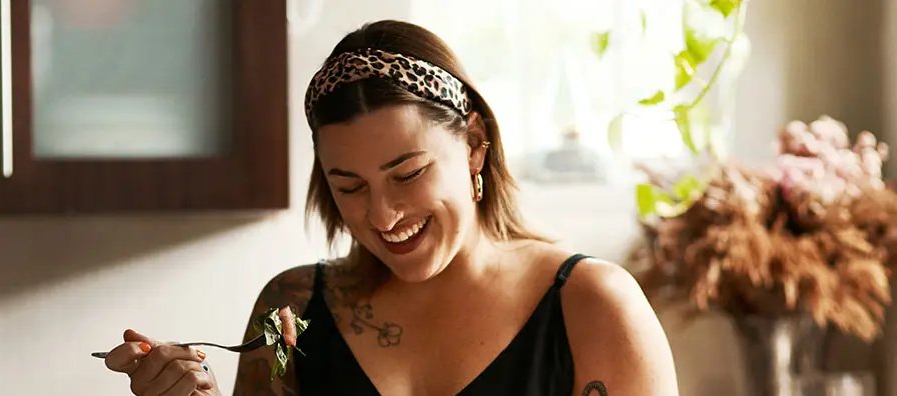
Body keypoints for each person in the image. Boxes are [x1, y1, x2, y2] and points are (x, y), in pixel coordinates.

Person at [102, 20, 678, 396]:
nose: (381, 216)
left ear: (474, 144)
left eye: (408, 173)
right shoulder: (291, 312)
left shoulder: (594, 309)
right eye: (348, 186)